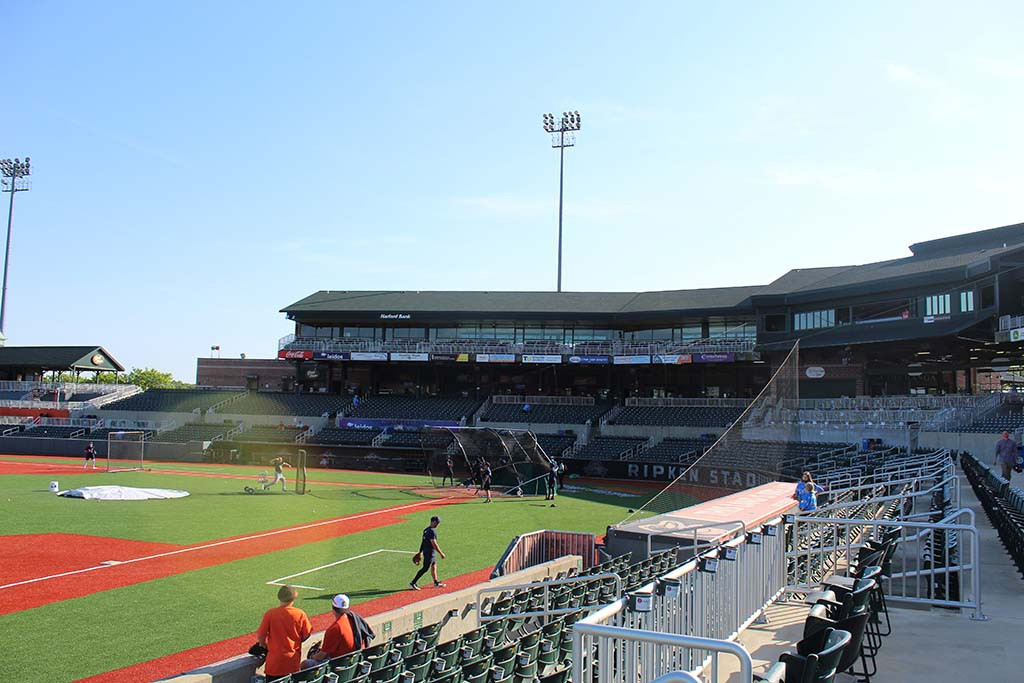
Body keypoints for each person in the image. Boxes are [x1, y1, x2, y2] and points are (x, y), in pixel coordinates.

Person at [301, 594, 375, 668]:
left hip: (338, 665)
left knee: (305, 664)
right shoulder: (353, 618)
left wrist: (312, 656)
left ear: (333, 608)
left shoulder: (335, 628)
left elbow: (321, 656)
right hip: (354, 661)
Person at [257, 585, 312, 681]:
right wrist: (296, 641)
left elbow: (261, 636)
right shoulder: (300, 613)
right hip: (292, 661)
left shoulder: (270, 614)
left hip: (274, 663)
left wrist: (264, 645)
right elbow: (307, 634)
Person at [410, 516, 446, 590]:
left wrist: (420, 552)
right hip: (429, 553)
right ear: (432, 522)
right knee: (425, 568)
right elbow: (434, 543)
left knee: (434, 565)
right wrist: (441, 553)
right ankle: (413, 582)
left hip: (428, 552)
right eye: (437, 522)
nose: (438, 524)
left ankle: (436, 583)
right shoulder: (432, 531)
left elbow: (423, 542)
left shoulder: (426, 530)